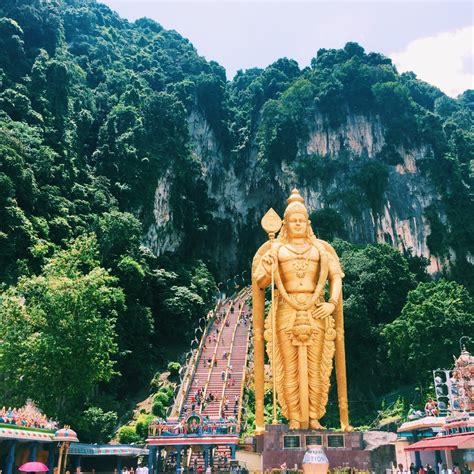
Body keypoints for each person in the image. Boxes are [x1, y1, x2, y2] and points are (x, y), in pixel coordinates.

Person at [253, 189, 348, 430]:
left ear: (308, 223)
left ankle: (314, 416)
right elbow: (261, 282)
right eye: (293, 220)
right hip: (286, 309)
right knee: (289, 365)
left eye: (301, 220)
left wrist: (332, 303)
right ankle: (294, 416)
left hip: (316, 308)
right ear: (285, 224)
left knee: (316, 366)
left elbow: (336, 277)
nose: (297, 224)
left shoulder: (321, 249)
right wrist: (268, 266)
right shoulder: (275, 249)